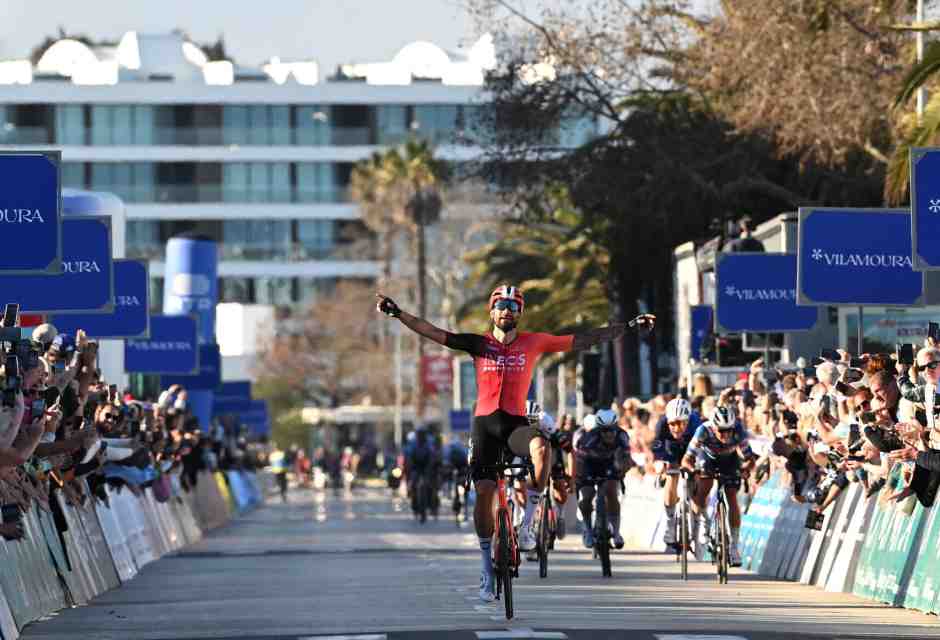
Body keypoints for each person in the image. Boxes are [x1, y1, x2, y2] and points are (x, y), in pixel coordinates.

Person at [376, 285, 655, 603]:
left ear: (520, 313)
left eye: (514, 305)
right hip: (484, 427)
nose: (507, 310)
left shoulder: (533, 342)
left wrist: (628, 326)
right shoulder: (478, 344)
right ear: (491, 310)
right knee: (484, 492)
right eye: (501, 304)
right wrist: (398, 314)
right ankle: (485, 567)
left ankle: (529, 522)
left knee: (542, 447)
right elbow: (434, 332)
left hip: (515, 425)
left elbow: (583, 338)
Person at [682, 404, 755, 567]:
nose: (726, 434)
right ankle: (702, 524)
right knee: (703, 489)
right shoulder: (703, 430)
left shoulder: (738, 431)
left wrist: (745, 469)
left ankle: (734, 547)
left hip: (729, 460)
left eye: (728, 430)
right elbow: (687, 458)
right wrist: (692, 470)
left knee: (732, 497)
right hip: (707, 459)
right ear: (713, 427)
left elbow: (750, 459)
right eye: (721, 431)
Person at [574, 408, 631, 550]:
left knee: (611, 492)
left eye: (612, 430)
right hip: (590, 464)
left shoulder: (622, 436)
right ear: (598, 430)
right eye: (605, 431)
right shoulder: (588, 438)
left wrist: (621, 473)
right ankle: (587, 529)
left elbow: (627, 460)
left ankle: (616, 532)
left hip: (609, 464)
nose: (609, 434)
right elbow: (579, 462)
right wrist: (579, 480)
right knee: (586, 497)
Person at [651, 397, 700, 546]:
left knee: (695, 477)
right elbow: (657, 448)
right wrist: (659, 463)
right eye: (673, 423)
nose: (676, 428)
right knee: (671, 475)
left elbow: (704, 447)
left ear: (688, 420)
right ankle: (670, 522)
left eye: (681, 423)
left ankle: (697, 520)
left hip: (691, 448)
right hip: (671, 448)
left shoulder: (696, 423)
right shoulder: (661, 425)